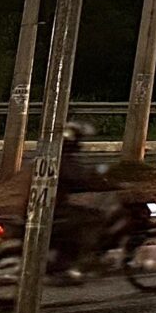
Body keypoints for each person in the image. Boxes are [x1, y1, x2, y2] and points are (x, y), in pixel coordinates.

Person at [50, 121, 114, 282]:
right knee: (94, 218)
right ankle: (77, 261)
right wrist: (101, 183)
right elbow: (78, 178)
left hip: (50, 204)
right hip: (53, 208)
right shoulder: (63, 159)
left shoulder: (57, 156)